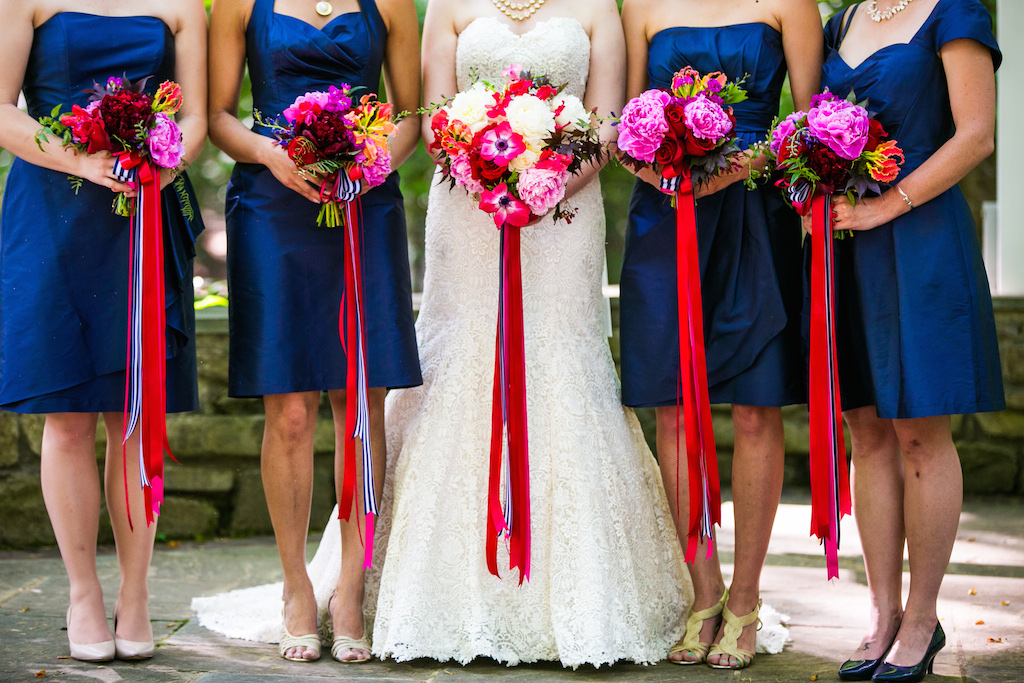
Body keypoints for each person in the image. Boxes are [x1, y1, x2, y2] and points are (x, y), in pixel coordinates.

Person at [360, 0, 689, 666]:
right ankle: (438, 592)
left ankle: (574, 597)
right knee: (466, 359)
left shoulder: (600, 6)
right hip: (469, 213)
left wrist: (548, 185)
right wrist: (489, 170)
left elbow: (605, 122)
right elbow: (435, 116)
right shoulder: (447, 5)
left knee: (558, 358)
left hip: (563, 216)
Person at [206, 0, 421, 664]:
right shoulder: (240, 4)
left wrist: (375, 156)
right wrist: (270, 154)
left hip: (364, 200)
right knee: (291, 410)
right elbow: (215, 115)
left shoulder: (389, 4)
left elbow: (410, 111)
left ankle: (351, 586)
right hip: (273, 206)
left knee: (360, 401)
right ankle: (297, 585)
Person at [0, 0, 208, 663]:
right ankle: (84, 590)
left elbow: (196, 114)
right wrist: (80, 160)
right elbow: (3, 110)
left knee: (136, 417)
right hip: (53, 210)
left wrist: (169, 160)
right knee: (66, 417)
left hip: (143, 214)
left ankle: (138, 592)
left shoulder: (182, 6)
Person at [618, 0, 822, 670]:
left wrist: (743, 163)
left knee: (757, 409)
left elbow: (810, 122)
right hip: (667, 217)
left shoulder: (790, 5)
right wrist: (665, 174)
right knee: (673, 408)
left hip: (756, 213)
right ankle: (703, 592)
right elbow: (623, 129)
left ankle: (745, 598)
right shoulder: (640, 6)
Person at [819, 1, 1003, 680]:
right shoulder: (843, 18)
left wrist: (885, 205)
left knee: (921, 432)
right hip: (848, 247)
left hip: (920, 237)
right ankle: (883, 614)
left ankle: (923, 619)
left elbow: (976, 134)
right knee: (864, 430)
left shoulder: (955, 11)